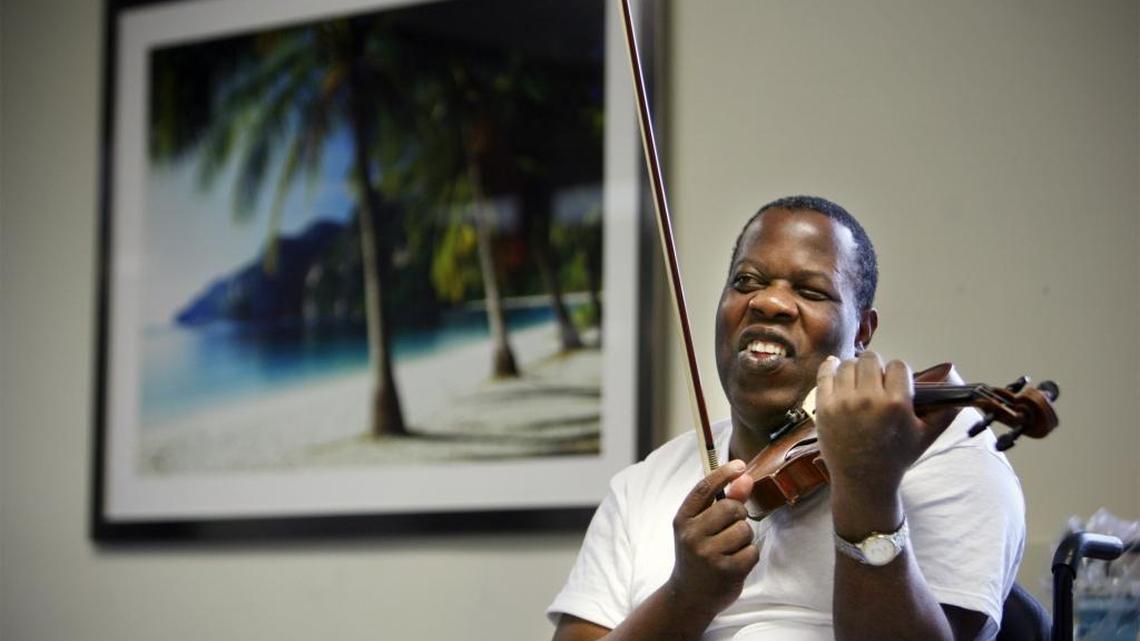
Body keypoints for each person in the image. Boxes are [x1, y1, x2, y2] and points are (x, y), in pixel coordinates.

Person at [547, 196, 1025, 641]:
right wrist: (685, 596)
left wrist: (866, 489)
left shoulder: (943, 449)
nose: (768, 303)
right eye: (746, 282)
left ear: (862, 330)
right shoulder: (643, 486)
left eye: (811, 290)